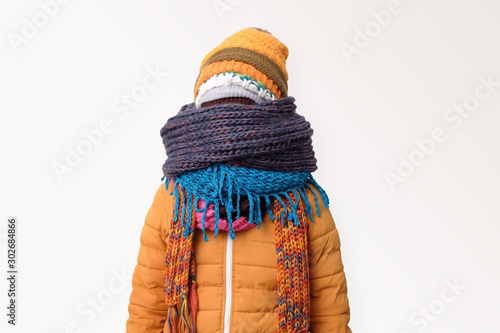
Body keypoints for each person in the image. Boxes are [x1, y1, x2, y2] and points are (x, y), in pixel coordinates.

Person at [125, 27, 352, 333]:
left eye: (239, 114)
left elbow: (329, 310)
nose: (225, 134)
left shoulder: (303, 202)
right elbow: (148, 302)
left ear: (267, 120)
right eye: (213, 114)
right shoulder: (174, 198)